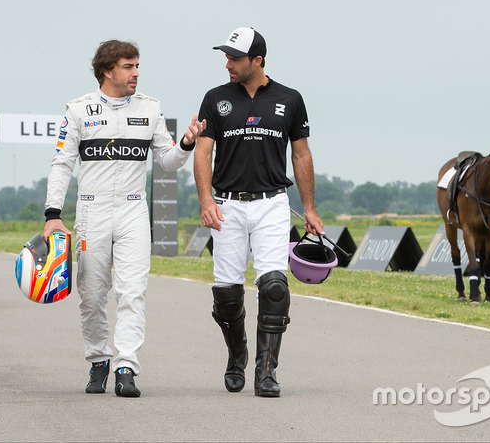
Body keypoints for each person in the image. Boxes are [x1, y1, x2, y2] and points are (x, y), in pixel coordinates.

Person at [43, 39, 206, 397]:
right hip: (91, 209)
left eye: (137, 66)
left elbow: (167, 161)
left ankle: (127, 367)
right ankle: (99, 359)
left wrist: (187, 144)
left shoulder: (150, 109)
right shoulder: (78, 109)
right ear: (107, 71)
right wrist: (52, 214)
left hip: (133, 209)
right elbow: (62, 164)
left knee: (132, 292)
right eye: (128, 67)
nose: (136, 73)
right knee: (90, 295)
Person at [194, 26, 324, 398]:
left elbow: (301, 154)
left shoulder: (290, 98)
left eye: (234, 58)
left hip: (272, 205)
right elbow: (203, 152)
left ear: (257, 60)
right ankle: (237, 355)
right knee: (227, 296)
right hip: (227, 206)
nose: (228, 64)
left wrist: (310, 208)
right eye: (227, 57)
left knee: (274, 288)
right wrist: (206, 201)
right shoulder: (215, 98)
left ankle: (266, 371)